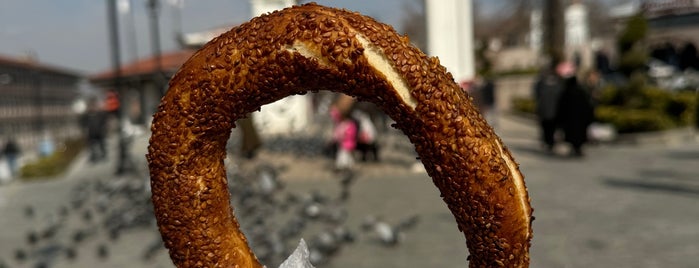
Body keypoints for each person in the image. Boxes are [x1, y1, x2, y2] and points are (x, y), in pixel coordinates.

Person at [557, 75, 595, 157]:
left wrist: (560, 119)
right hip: (580, 119)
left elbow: (561, 107)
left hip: (570, 119)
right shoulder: (582, 92)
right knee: (579, 135)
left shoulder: (566, 92)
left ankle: (575, 148)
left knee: (572, 134)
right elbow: (588, 106)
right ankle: (578, 148)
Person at [533, 64, 565, 153]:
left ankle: (549, 142)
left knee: (547, 128)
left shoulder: (542, 83)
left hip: (548, 111)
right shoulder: (557, 83)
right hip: (551, 111)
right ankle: (549, 142)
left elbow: (537, 96)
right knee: (549, 128)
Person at [82, 97, 108, 163]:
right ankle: (93, 157)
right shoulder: (86, 115)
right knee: (92, 146)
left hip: (99, 132)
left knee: (102, 145)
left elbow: (104, 121)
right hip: (91, 133)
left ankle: (104, 156)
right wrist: (85, 131)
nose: (92, 107)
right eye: (90, 106)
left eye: (93, 105)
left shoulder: (100, 113)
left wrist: (104, 128)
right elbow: (83, 124)